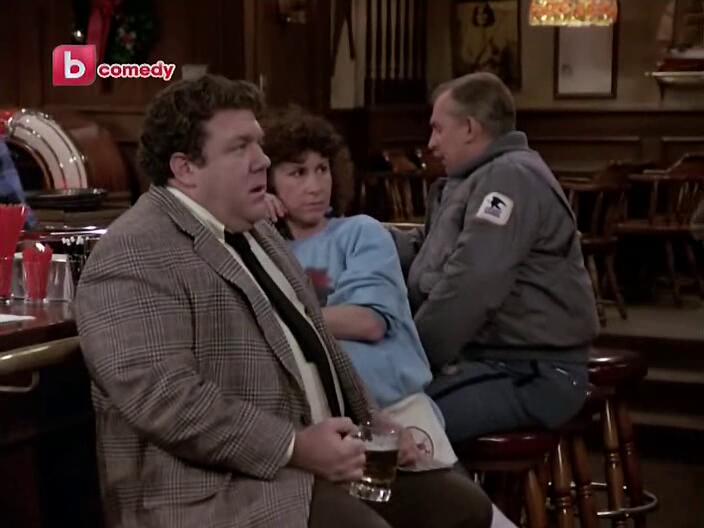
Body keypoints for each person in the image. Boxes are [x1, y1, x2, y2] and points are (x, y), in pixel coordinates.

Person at [75, 75, 492, 528]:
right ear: (186, 168)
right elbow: (165, 400)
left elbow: (321, 344)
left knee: (463, 508)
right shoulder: (134, 250)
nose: (262, 160)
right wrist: (295, 446)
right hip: (215, 488)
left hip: (319, 458)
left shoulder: (257, 230)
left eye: (258, 143)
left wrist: (375, 422)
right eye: (240, 147)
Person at [391, 72, 599, 443]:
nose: (431, 143)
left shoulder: (509, 178)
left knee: (400, 429)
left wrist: (410, 356)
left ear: (470, 128)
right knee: (378, 407)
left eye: (438, 129)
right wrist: (354, 238)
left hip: (530, 370)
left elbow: (472, 284)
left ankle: (464, 488)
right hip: (496, 361)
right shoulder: (474, 177)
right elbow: (427, 249)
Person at [261, 107, 457, 466]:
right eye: (297, 173)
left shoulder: (360, 232)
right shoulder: (262, 246)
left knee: (451, 499)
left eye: (322, 169)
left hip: (395, 407)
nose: (315, 186)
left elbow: (367, 322)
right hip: (314, 422)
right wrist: (252, 221)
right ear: (268, 180)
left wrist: (276, 317)